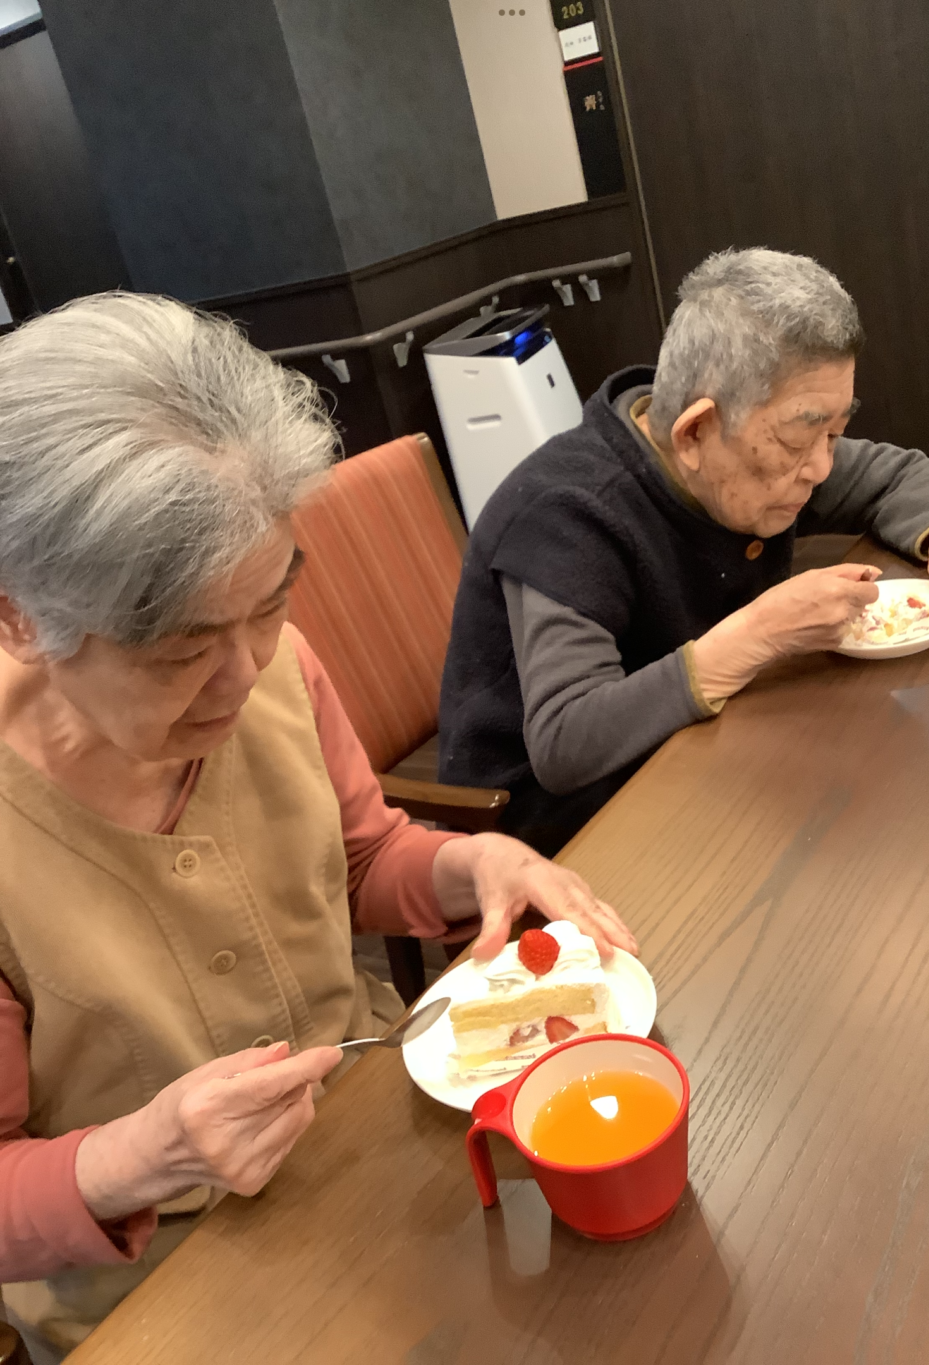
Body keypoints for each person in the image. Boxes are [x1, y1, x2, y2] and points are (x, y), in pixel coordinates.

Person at [0, 294, 637, 1363]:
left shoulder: (272, 665)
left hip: (373, 1133)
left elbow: (359, 858)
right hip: (165, 1281)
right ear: (19, 616)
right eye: (179, 653)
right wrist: (137, 1158)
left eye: (270, 606)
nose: (245, 675)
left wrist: (470, 861)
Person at [438, 248, 929, 856]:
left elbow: (894, 475)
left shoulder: (748, 450)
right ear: (694, 432)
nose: (821, 466)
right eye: (803, 436)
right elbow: (565, 741)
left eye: (836, 431)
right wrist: (758, 636)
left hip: (699, 753)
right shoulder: (569, 512)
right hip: (549, 836)